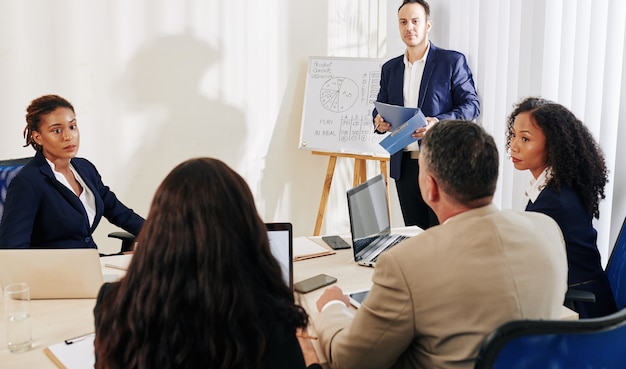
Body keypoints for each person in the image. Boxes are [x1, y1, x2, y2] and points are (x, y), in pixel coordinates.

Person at [314, 120, 568, 369]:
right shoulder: (546, 228)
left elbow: (350, 361)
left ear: (430, 186)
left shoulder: (405, 263)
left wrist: (333, 307)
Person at [93, 157, 321, 369]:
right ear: (246, 230)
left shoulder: (114, 304)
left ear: (158, 231)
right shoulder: (268, 316)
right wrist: (310, 359)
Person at [373, 0, 480, 229]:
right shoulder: (390, 68)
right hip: (405, 167)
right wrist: (379, 121)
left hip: (441, 165)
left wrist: (437, 123)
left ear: (427, 25)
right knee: (415, 236)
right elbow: (380, 108)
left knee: (443, 236)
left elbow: (472, 106)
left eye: (415, 21)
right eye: (403, 22)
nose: (409, 27)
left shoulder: (451, 62)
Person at [506, 97, 618, 318]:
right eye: (513, 135)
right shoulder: (555, 187)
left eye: (525, 139)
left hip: (581, 312)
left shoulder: (553, 202)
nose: (514, 145)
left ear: (553, 147)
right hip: (588, 300)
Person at [0, 95, 144, 248]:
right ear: (38, 137)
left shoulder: (85, 169)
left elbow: (120, 213)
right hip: (55, 270)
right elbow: (12, 248)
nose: (68, 136)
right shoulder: (28, 182)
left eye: (72, 126)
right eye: (56, 130)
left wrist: (163, 235)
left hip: (92, 262)